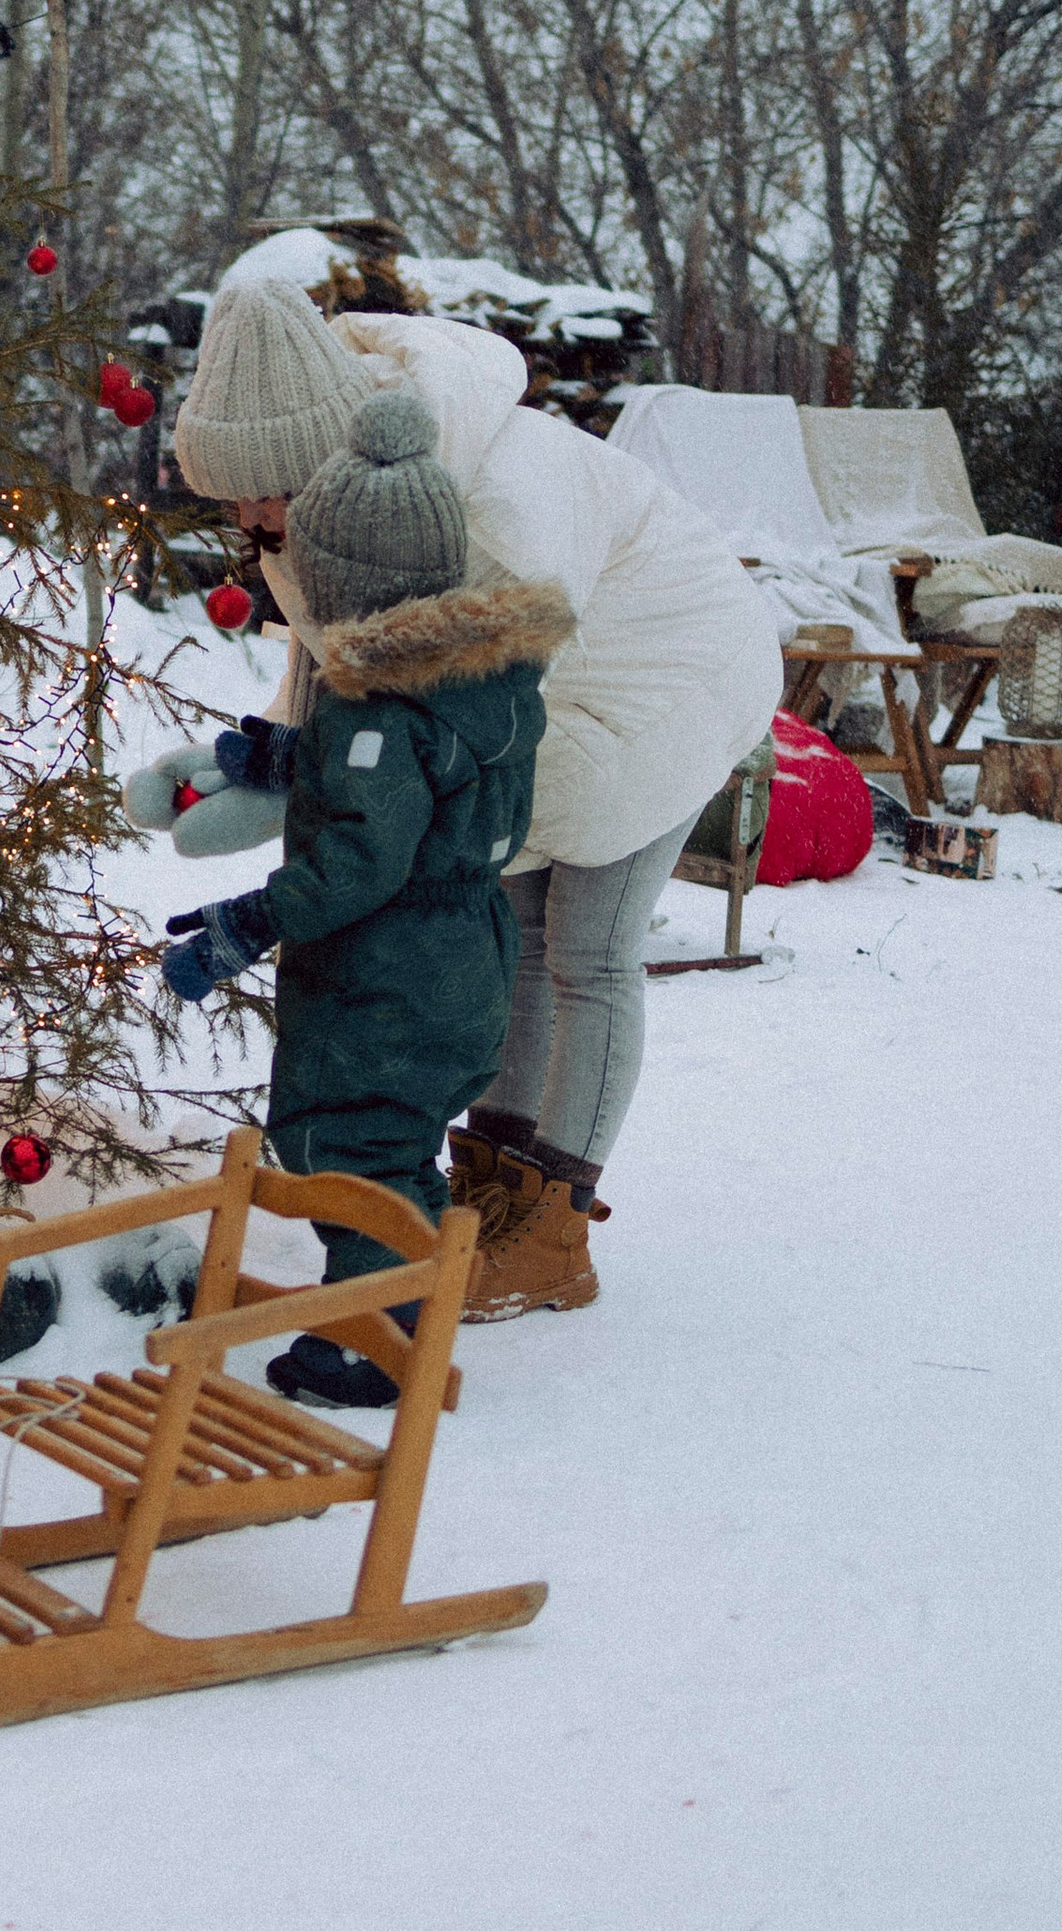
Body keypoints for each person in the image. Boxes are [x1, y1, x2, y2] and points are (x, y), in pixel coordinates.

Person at [166, 269, 780, 1319]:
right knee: (510, 923)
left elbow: (449, 712)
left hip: (664, 676)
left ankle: (551, 1233)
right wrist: (276, 753)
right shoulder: (319, 503)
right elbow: (339, 654)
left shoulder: (488, 508)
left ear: (306, 458)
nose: (241, 514)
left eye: (254, 491)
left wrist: (341, 802)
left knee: (583, 947)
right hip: (545, 690)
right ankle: (489, 1192)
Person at [162, 391, 570, 1407]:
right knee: (395, 1146)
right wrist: (293, 756)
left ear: (346, 582)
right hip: (461, 960)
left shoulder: (378, 709)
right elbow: (424, 787)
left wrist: (241, 926)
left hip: (387, 979)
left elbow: (361, 860)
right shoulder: (475, 680)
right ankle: (401, 1310)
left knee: (351, 1151)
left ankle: (369, 1347)